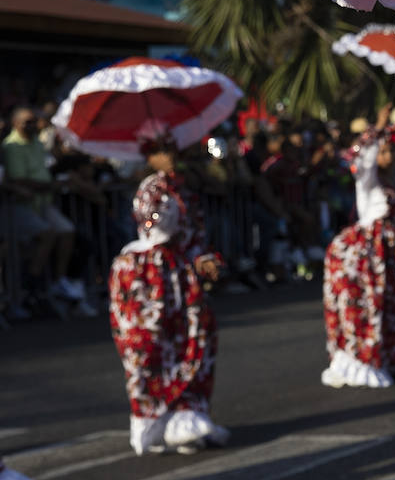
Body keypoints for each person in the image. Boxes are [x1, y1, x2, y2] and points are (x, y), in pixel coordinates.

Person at [108, 131, 229, 454]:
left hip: (180, 277)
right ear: (149, 155)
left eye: (173, 148)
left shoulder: (184, 189)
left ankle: (186, 418)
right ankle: (155, 422)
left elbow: (194, 237)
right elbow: (151, 226)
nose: (170, 155)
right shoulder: (151, 188)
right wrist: (162, 205)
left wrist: (205, 261)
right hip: (149, 278)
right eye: (162, 150)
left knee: (193, 341)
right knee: (149, 347)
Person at [320, 106, 395, 388]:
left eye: (390, 151)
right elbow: (362, 159)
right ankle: (361, 359)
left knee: (393, 306)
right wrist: (377, 125)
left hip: (389, 256)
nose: (387, 157)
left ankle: (389, 355)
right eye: (383, 151)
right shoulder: (368, 181)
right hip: (364, 256)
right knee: (366, 307)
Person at [2, 106, 79, 312]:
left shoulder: (37, 142)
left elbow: (44, 169)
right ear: (15, 123)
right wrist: (46, 185)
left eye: (34, 121)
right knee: (47, 234)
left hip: (43, 202)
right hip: (20, 205)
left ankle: (58, 281)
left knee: (67, 230)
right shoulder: (10, 147)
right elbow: (18, 179)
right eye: (28, 121)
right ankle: (33, 284)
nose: (33, 125)